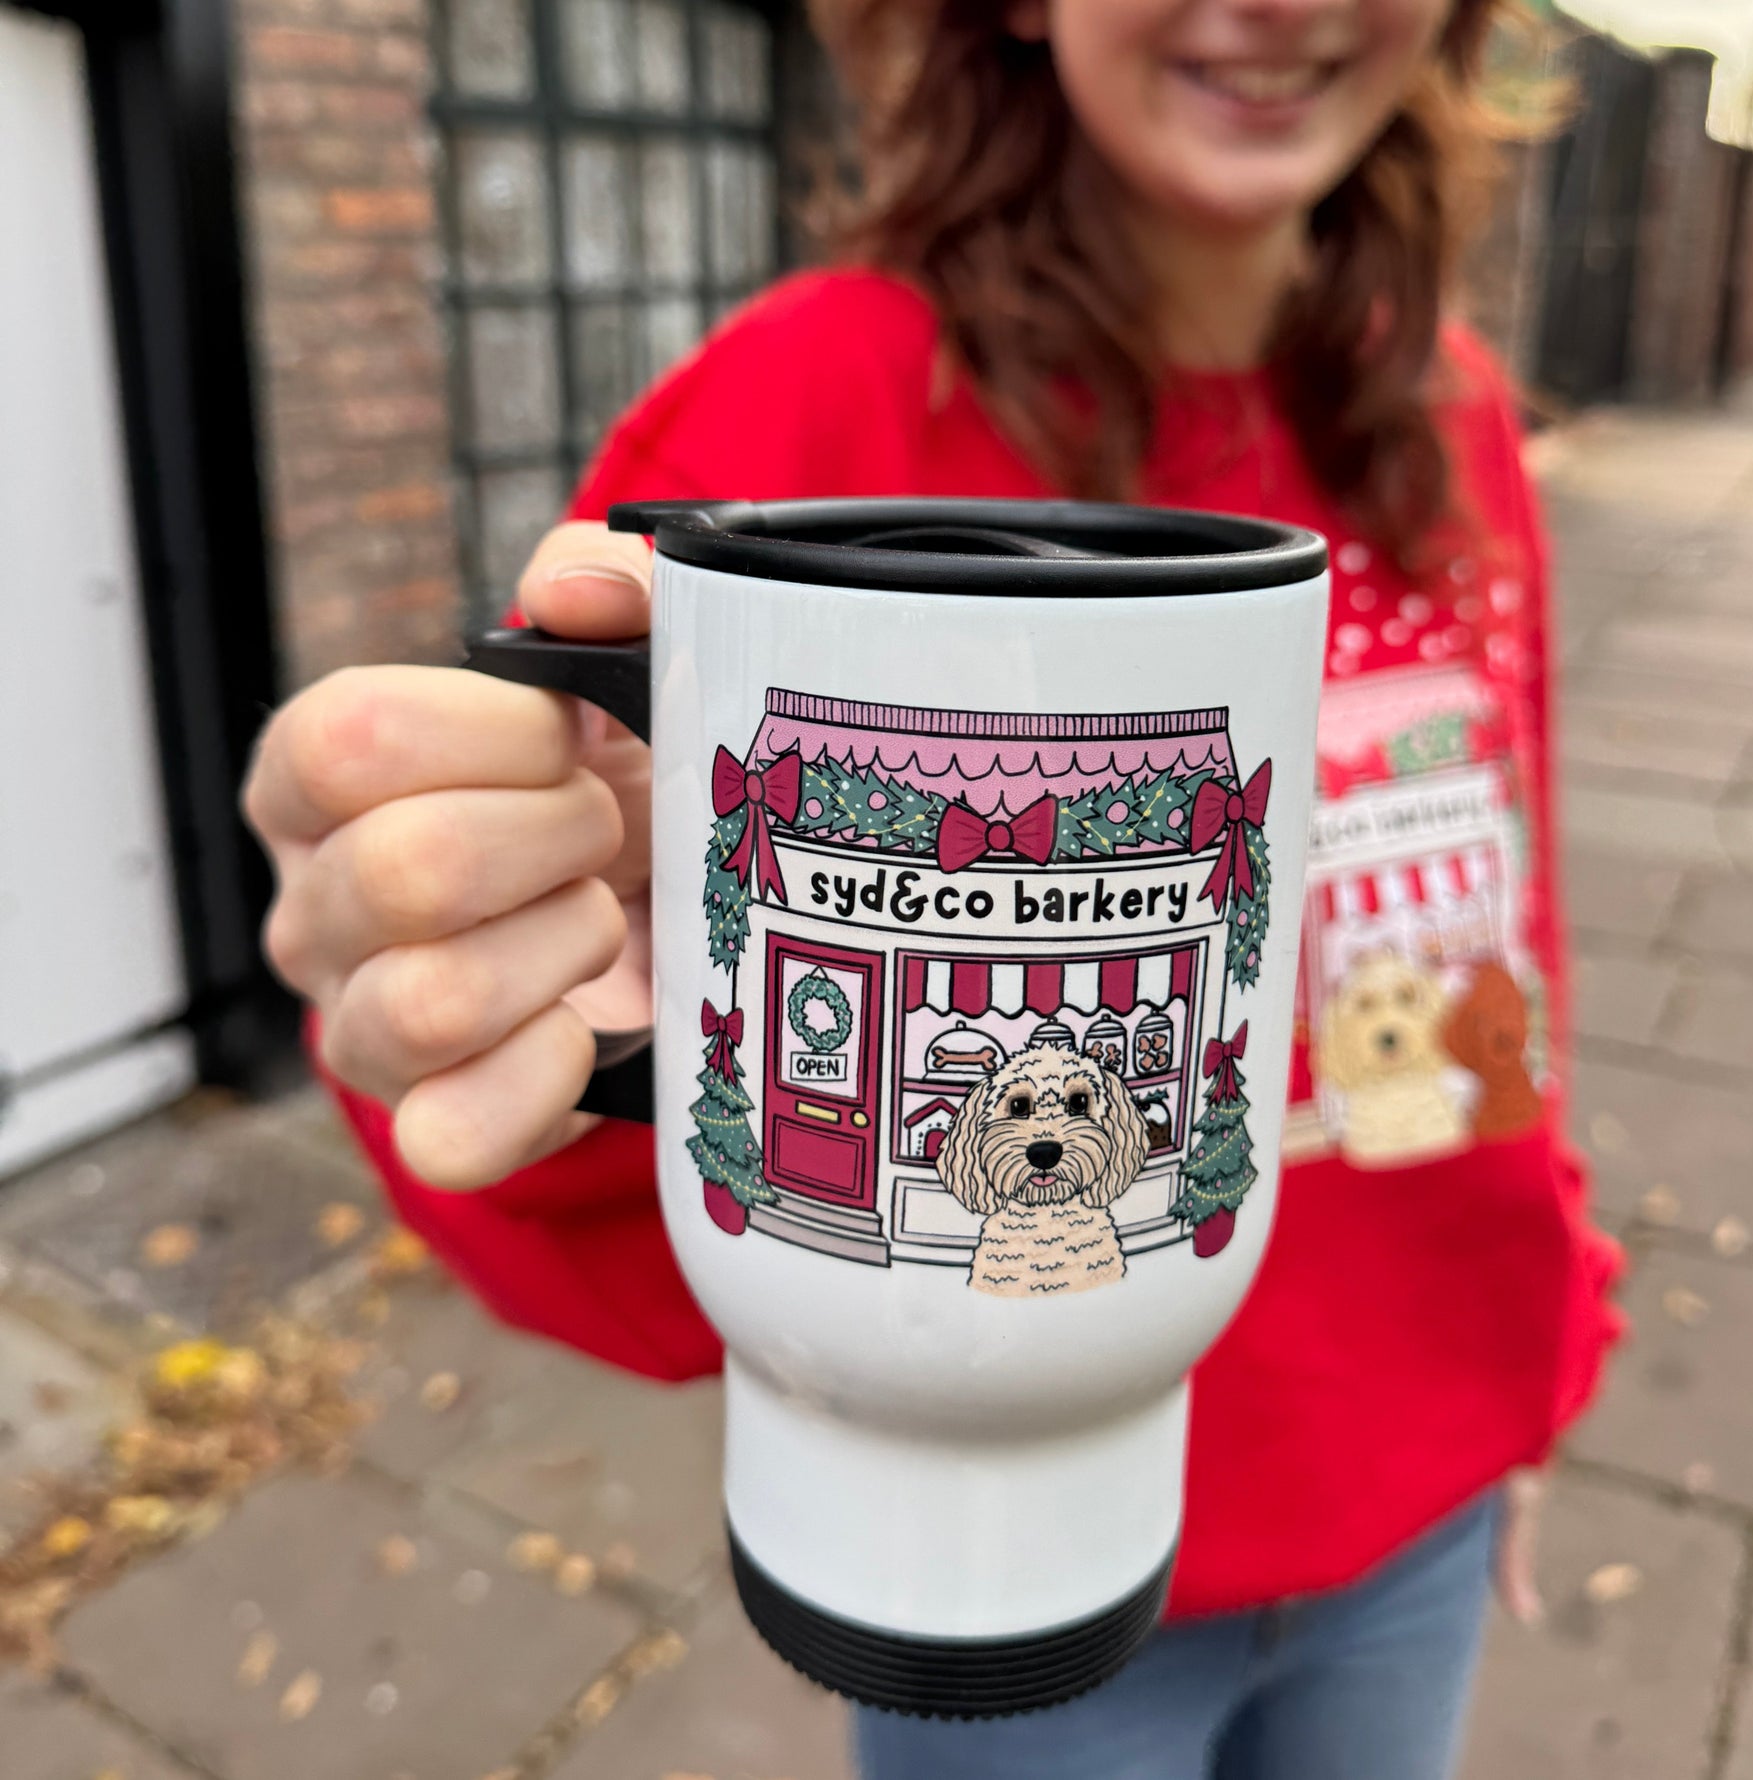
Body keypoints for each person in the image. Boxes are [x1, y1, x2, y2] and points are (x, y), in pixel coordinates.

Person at [242, 3, 1624, 1775]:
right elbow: (581, 1051)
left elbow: (1504, 964)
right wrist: (448, 955)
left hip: (1431, 1510)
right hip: (991, 1599)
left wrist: (1545, 1333)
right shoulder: (797, 415)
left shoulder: (1451, 415)